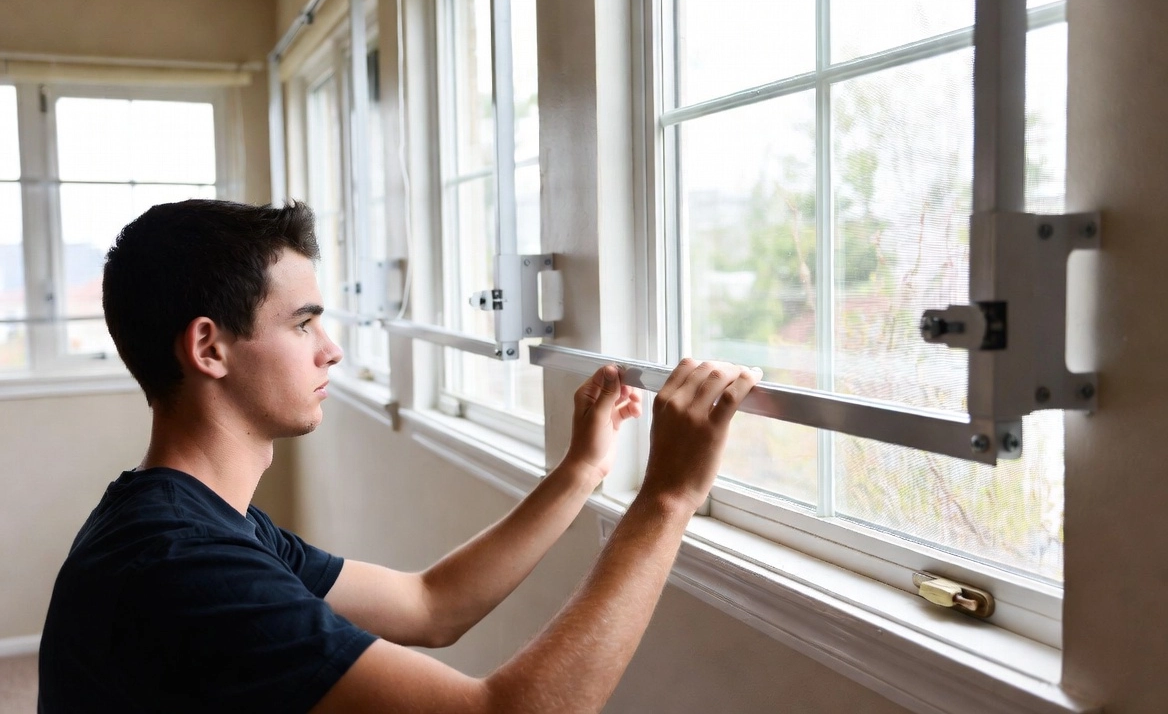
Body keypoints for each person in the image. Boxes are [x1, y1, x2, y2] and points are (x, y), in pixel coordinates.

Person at [38, 199, 761, 713]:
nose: (331, 347)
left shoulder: (198, 520)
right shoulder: (180, 564)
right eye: (302, 322)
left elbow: (432, 606)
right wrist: (666, 500)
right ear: (208, 348)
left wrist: (580, 470)